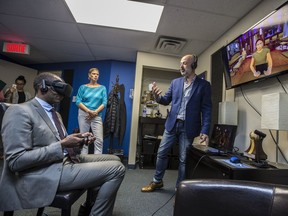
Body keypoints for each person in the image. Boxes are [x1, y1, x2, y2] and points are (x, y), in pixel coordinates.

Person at [0, 72, 125, 216]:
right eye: (58, 87)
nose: (62, 92)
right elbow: (15, 161)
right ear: (43, 87)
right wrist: (62, 145)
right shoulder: (19, 111)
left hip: (64, 161)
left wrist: (79, 141)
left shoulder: (55, 114)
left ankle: (88, 207)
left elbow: (63, 144)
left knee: (115, 159)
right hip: (45, 171)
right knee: (116, 169)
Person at [141, 54, 212, 192]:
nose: (181, 66)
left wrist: (204, 130)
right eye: (181, 63)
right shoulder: (175, 82)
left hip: (188, 127)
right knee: (161, 153)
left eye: (185, 63)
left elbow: (207, 109)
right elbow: (165, 100)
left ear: (193, 65)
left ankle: (179, 189)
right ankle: (157, 181)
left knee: (184, 160)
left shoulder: (204, 85)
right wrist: (156, 97)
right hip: (172, 124)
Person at [76, 68, 108, 154]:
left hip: (97, 114)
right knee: (85, 138)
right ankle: (84, 159)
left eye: (97, 74)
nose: (95, 76)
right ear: (89, 75)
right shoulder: (82, 87)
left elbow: (104, 102)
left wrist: (95, 112)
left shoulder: (102, 88)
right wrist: (88, 111)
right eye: (93, 74)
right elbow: (78, 101)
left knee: (99, 140)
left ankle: (97, 161)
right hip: (84, 113)